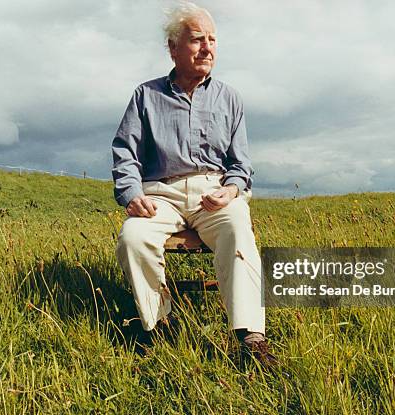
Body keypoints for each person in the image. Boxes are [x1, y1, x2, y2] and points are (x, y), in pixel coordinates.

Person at [112, 2, 276, 366]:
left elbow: (241, 163)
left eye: (213, 40)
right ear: (173, 47)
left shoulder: (229, 98)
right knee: (133, 237)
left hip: (212, 193)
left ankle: (250, 336)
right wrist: (131, 193)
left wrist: (231, 189)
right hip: (161, 194)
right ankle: (160, 323)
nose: (208, 48)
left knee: (237, 225)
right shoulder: (146, 96)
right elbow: (125, 152)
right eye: (197, 40)